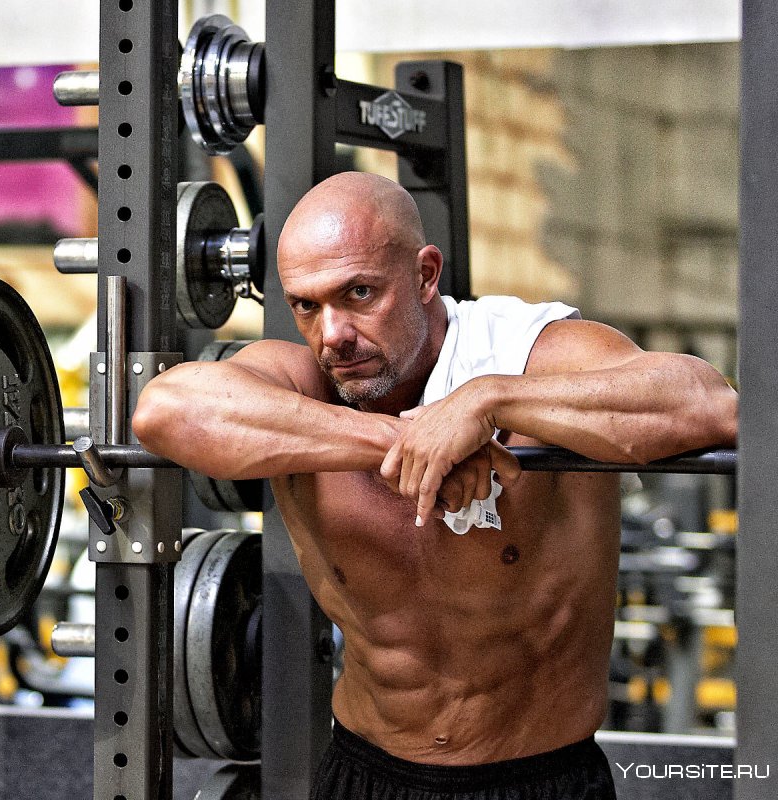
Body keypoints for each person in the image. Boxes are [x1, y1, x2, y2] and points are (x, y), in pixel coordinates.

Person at [132, 172, 738, 800]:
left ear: (425, 275)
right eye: (307, 306)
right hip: (364, 775)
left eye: (359, 293)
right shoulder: (303, 386)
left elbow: (709, 405)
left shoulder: (530, 355)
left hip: (536, 782)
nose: (333, 334)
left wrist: (489, 402)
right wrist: (405, 439)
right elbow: (164, 411)